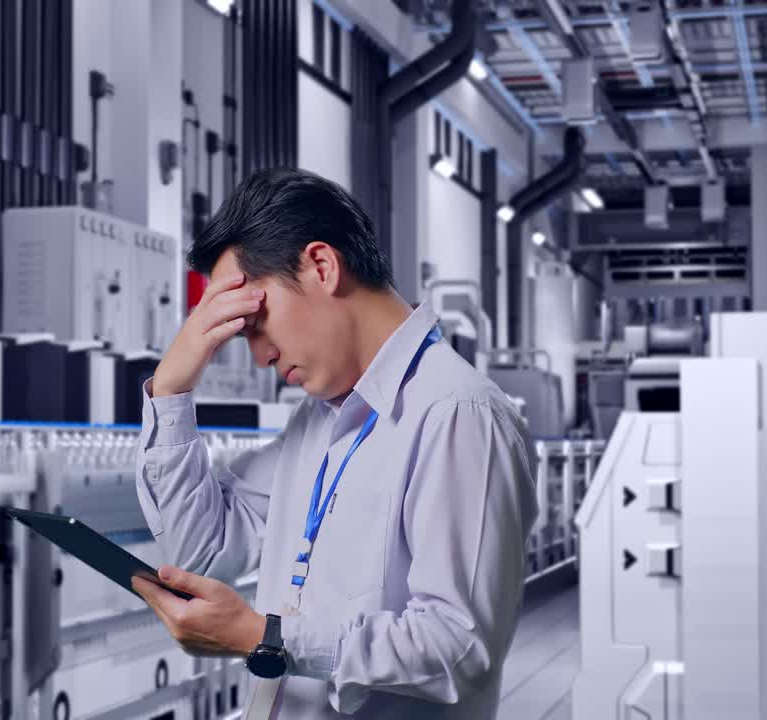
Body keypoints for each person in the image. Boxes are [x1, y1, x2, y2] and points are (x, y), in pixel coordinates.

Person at [131, 167, 538, 718]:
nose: (259, 356)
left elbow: (457, 647)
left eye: (255, 321)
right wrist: (173, 390)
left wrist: (267, 638)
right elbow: (204, 552)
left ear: (321, 265)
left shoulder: (458, 414)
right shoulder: (320, 421)